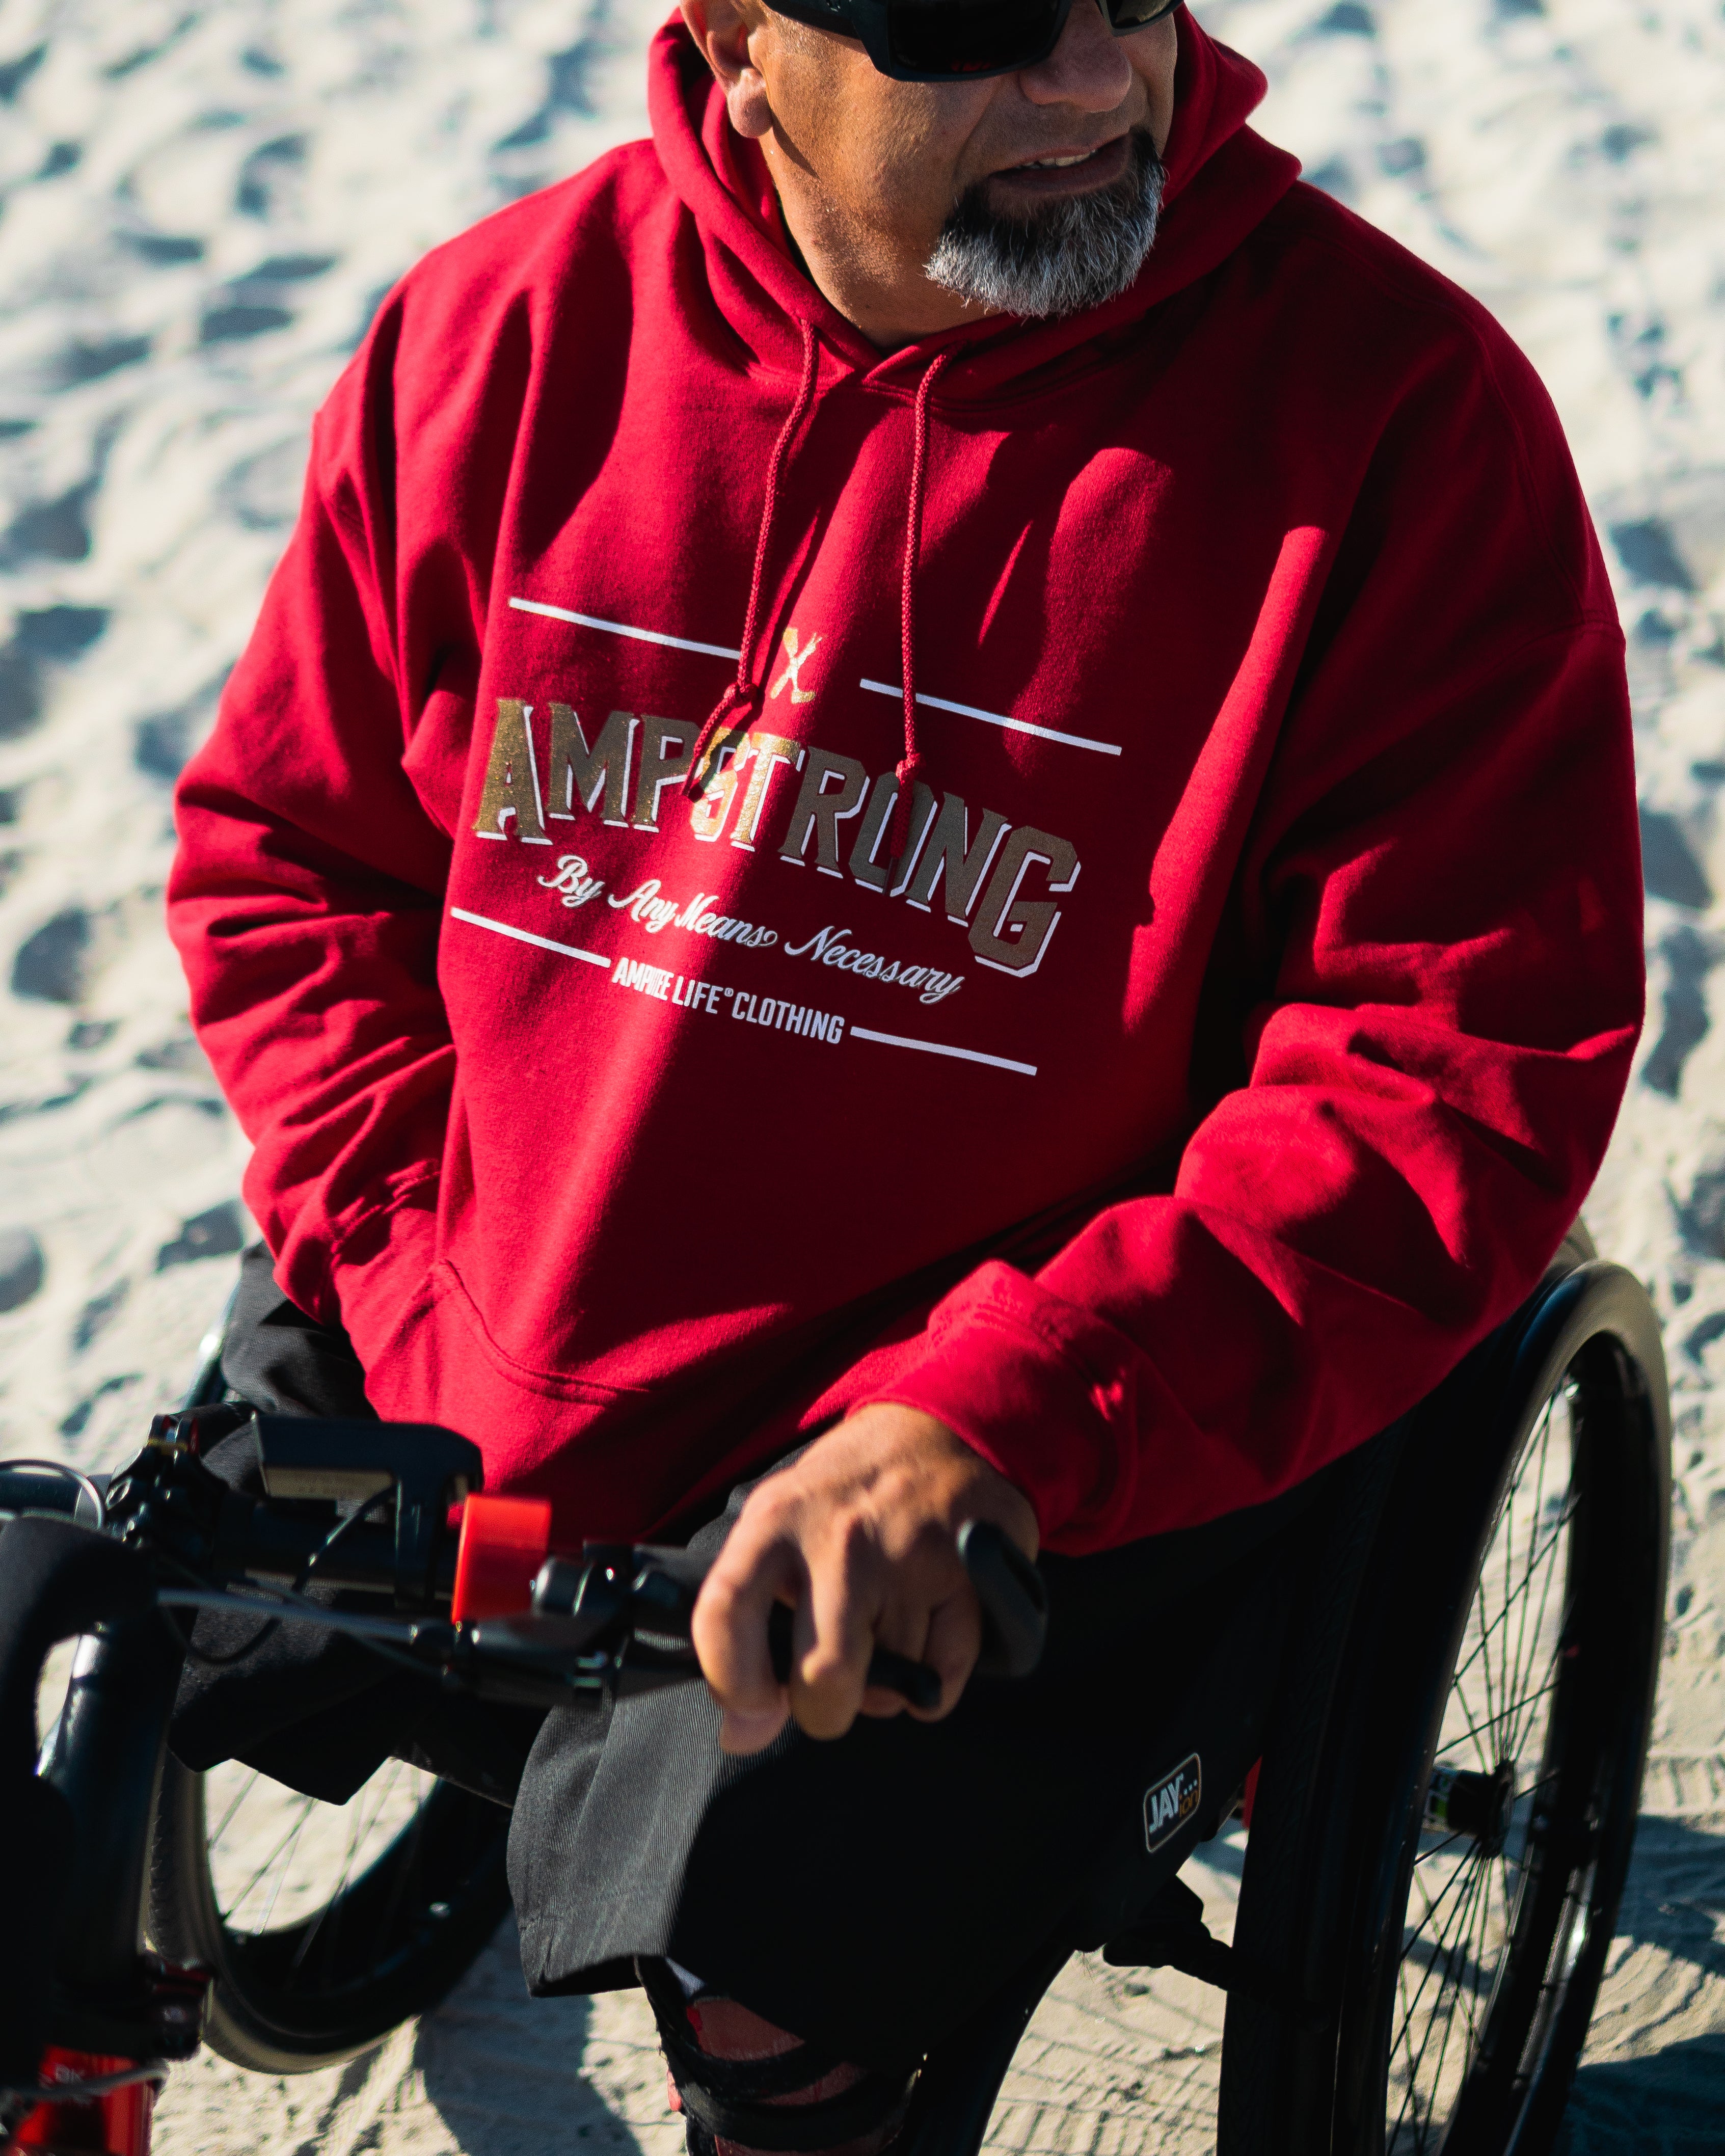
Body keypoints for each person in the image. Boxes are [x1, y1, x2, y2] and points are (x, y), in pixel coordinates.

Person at [165, 0, 1642, 2145]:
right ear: (741, 38)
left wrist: (999, 1413)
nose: (1092, 80)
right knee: (82, 1672)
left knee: (766, 1956)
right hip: (464, 1306)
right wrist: (412, 1270)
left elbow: (1445, 1068)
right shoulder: (499, 335)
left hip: (1004, 1406)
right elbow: (292, 865)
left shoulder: (1394, 420)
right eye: (970, 23)